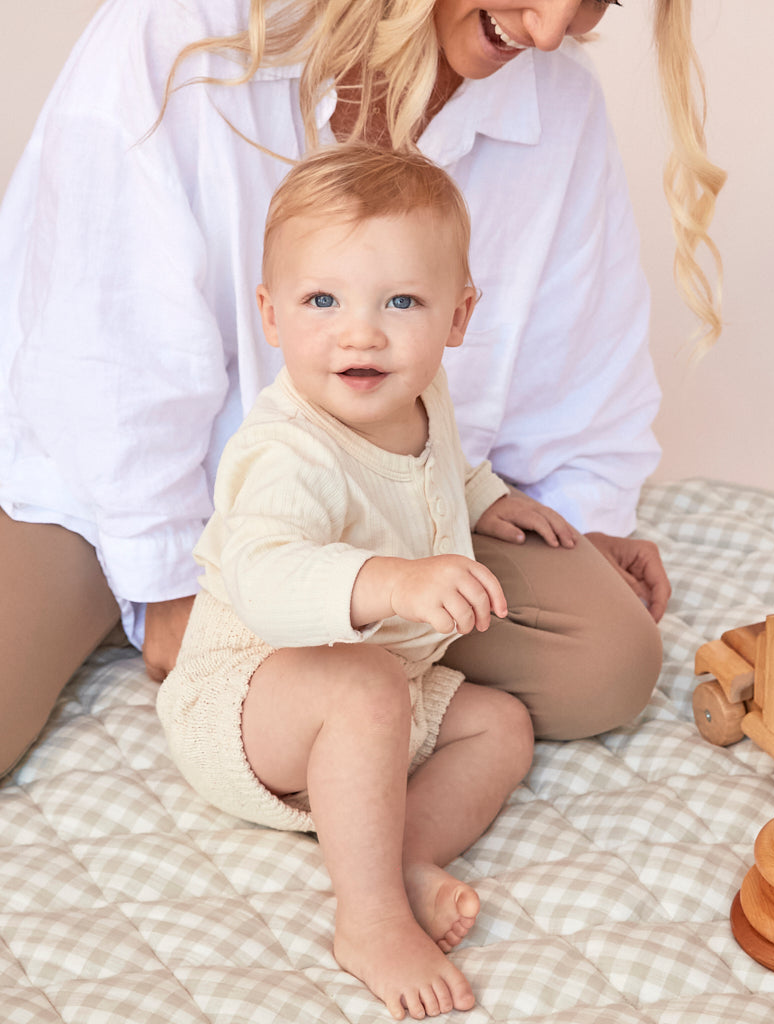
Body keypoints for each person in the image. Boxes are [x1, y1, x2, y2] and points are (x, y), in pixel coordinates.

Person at [0, 0, 725, 777]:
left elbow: (577, 369)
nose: (550, 30)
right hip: (106, 498)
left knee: (608, 660)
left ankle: (312, 625)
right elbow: (102, 354)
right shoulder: (176, 31)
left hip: (369, 507)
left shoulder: (558, 99)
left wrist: (585, 519)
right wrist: (174, 592)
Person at [156, 142, 571, 1019]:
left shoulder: (419, 393)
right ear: (269, 314)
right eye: (321, 300)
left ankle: (399, 860)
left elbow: (437, 470)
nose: (361, 331)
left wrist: (488, 501)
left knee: (501, 724)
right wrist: (393, 581)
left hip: (377, 685)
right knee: (368, 682)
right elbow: (264, 580)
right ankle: (370, 918)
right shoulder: (288, 449)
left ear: (457, 317)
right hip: (247, 698)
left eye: (401, 302)